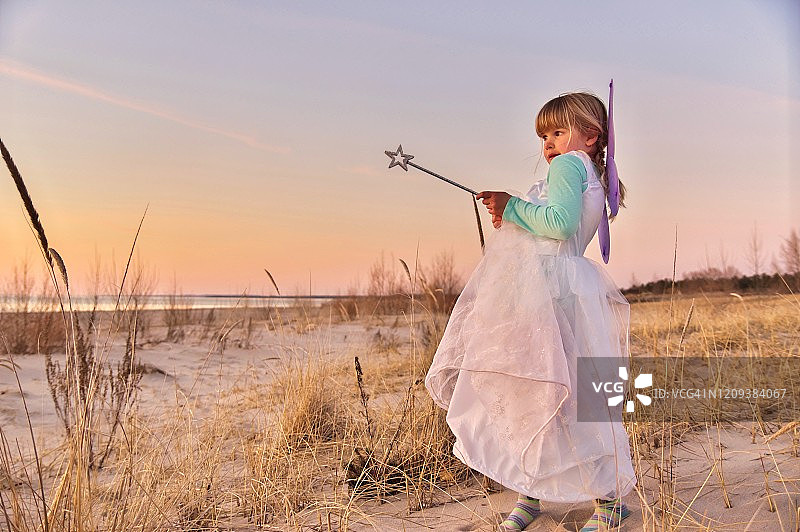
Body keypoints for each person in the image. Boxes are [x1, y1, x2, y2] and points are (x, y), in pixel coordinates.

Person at [424, 87, 635, 532]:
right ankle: (544, 492)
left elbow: (557, 226)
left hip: (550, 292)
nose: (549, 144)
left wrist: (513, 206)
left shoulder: (568, 166)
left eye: (559, 131)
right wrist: (517, 218)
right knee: (571, 394)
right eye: (544, 136)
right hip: (567, 287)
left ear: (591, 136)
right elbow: (557, 223)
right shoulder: (589, 173)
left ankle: (592, 500)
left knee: (547, 391)